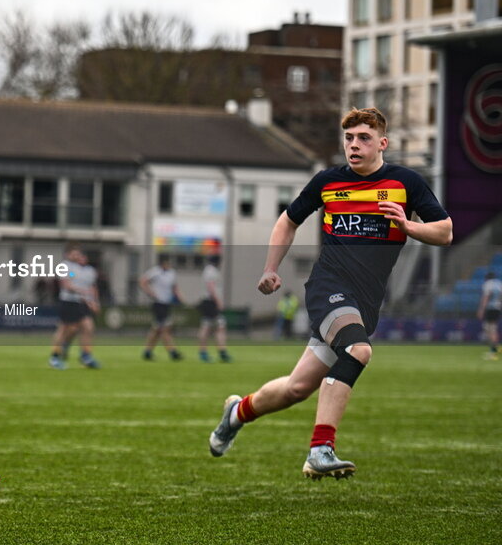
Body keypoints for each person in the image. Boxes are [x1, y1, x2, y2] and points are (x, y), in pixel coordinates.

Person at [208, 107, 452, 480]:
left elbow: (445, 231)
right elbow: (288, 220)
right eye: (349, 138)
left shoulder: (406, 184)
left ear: (382, 143)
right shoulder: (327, 182)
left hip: (364, 301)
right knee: (358, 350)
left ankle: (237, 412)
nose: (354, 145)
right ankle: (321, 449)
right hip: (329, 289)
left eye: (364, 138)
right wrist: (271, 268)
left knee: (296, 388)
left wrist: (408, 226)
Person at [49, 244, 101, 369]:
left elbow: (91, 287)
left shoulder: (82, 270)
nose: (76, 256)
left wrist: (93, 301)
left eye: (78, 254)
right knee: (65, 330)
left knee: (88, 327)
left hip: (81, 302)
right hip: (68, 301)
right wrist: (82, 291)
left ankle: (86, 356)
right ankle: (55, 357)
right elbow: (66, 284)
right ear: (67, 255)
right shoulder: (65, 266)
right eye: (74, 254)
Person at [139, 254, 184, 361]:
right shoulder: (155, 272)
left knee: (157, 329)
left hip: (166, 304)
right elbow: (142, 281)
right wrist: (150, 293)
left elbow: (174, 287)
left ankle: (147, 352)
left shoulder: (172, 273)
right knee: (165, 328)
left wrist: (180, 298)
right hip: (158, 303)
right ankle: (172, 351)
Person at [197, 254, 231, 363]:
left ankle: (220, 351)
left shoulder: (209, 270)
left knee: (214, 326)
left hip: (209, 302)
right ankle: (209, 352)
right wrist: (218, 301)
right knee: (212, 326)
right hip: (210, 302)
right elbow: (211, 287)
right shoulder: (211, 271)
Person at [478, 271, 502, 360]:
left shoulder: (487, 284)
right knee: (493, 328)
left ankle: (493, 352)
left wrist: (481, 310)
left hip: (490, 308)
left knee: (489, 328)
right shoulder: (499, 283)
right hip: (497, 308)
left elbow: (486, 297)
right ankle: (496, 348)